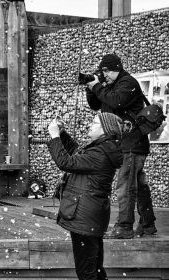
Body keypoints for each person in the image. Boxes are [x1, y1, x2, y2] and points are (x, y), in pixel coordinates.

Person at [85, 53, 157, 239]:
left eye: (107, 71)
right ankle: (148, 225)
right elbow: (95, 105)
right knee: (139, 185)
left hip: (132, 143)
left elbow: (116, 101)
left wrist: (98, 86)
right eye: (103, 72)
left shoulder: (128, 83)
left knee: (125, 186)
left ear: (117, 68)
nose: (105, 75)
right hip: (126, 144)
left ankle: (124, 227)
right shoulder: (109, 87)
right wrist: (90, 87)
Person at [48, 112, 125, 280]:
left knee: (86, 272)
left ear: (105, 130)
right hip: (91, 216)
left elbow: (66, 162)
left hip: (85, 218)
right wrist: (62, 134)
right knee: (94, 269)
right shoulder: (102, 149)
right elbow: (76, 153)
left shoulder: (99, 153)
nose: (90, 124)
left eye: (95, 123)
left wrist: (54, 137)